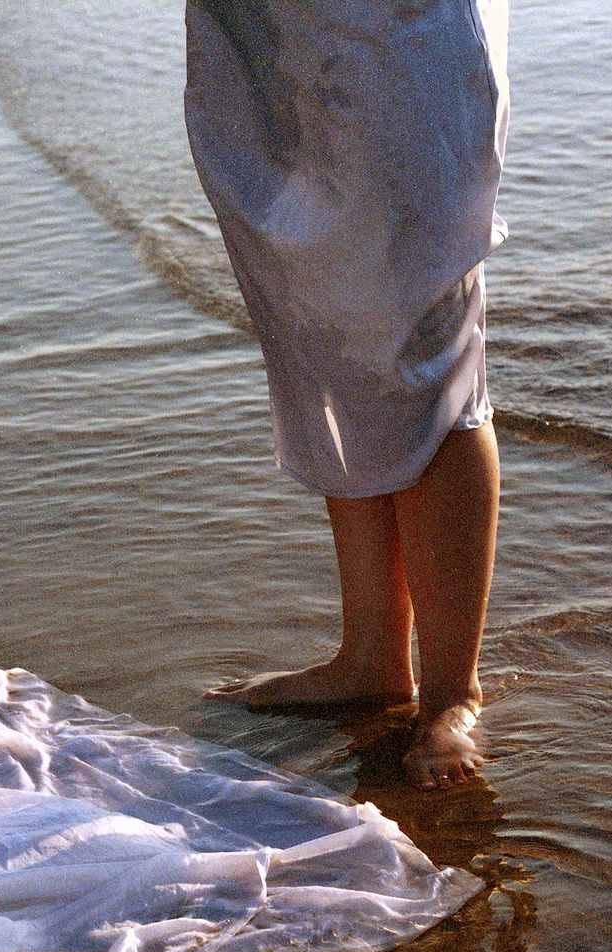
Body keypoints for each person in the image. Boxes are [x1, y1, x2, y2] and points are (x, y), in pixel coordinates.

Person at [183, 0, 509, 788]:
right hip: (265, 25)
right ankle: (370, 653)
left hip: (395, 23)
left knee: (425, 327)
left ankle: (450, 692)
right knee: (319, 307)